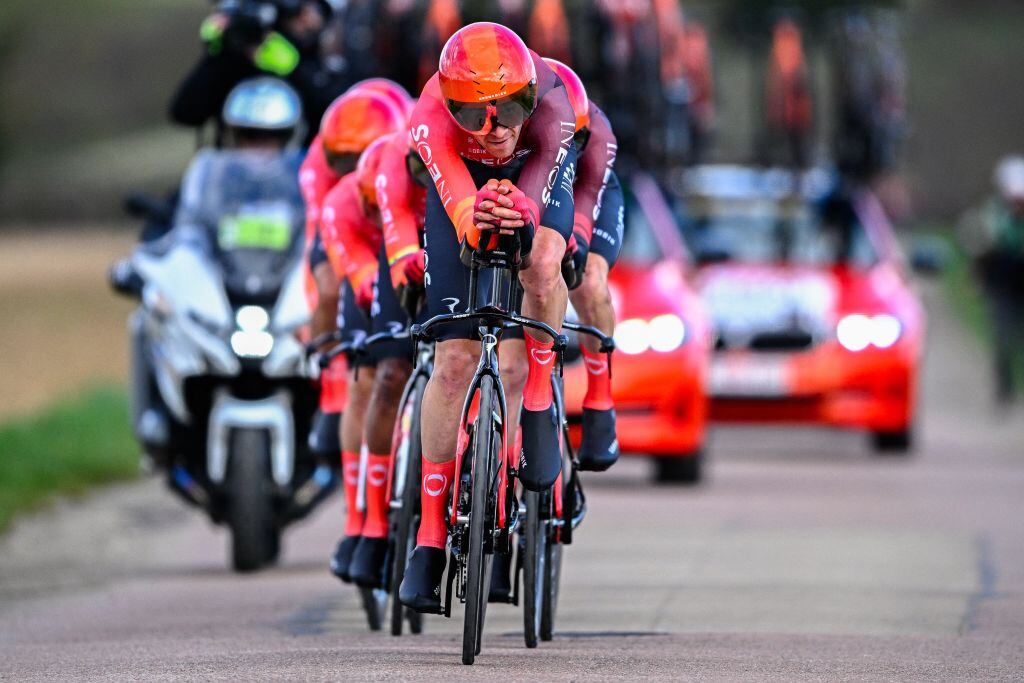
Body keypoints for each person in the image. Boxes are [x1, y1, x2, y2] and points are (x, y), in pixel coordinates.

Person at [398, 22, 578, 614]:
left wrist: (523, 226)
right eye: (475, 115)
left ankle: (534, 408)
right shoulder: (428, 117)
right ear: (450, 108)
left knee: (543, 262)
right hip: (463, 189)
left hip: (534, 179)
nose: (496, 128)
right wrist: (480, 219)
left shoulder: (552, 113)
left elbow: (536, 219)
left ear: (530, 95)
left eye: (510, 108)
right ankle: (427, 538)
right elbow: (462, 212)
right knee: (453, 362)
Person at [323, 131, 430, 587]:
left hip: (437, 241)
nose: (370, 212)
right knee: (378, 375)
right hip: (385, 259)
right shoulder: (342, 205)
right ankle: (367, 524)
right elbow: (359, 276)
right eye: (368, 206)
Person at [309, 91, 408, 581]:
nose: (346, 167)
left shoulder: (413, 162)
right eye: (339, 159)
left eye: (357, 156)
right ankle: (359, 518)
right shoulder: (338, 198)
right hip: (362, 258)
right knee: (368, 376)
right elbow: (355, 280)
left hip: (410, 240)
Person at [544, 58, 622, 471]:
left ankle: (599, 395)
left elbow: (587, 200)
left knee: (589, 280)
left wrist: (574, 241)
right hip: (540, 185)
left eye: (574, 138)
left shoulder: (599, 134)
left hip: (590, 196)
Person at [170, 0, 346, 146]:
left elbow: (335, 118)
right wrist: (218, 56)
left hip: (292, 172)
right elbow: (186, 113)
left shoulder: (301, 53)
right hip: (234, 173)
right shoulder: (231, 59)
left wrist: (295, 66)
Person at [961, 156, 1024, 405]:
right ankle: (1005, 387)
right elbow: (978, 250)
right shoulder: (991, 217)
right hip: (1001, 288)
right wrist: (976, 277)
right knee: (1002, 336)